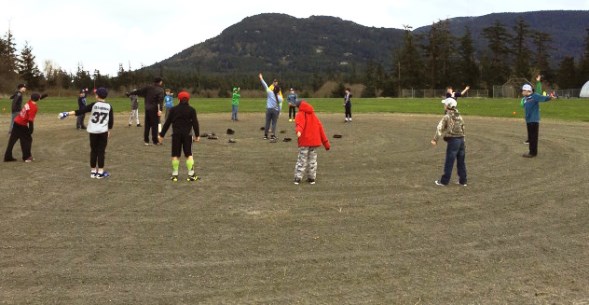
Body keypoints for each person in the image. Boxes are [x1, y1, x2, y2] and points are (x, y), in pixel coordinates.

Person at [59, 87, 114, 179]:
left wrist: (67, 113)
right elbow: (111, 121)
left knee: (93, 151)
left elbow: (80, 111)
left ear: (97, 96)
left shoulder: (94, 105)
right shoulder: (109, 106)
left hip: (93, 131)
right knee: (101, 151)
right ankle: (100, 172)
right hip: (103, 132)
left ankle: (93, 172)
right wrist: (109, 130)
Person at [158, 91, 200, 182]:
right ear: (188, 99)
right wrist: (197, 135)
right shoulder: (192, 110)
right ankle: (191, 175)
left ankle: (175, 175)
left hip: (176, 135)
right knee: (188, 154)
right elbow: (195, 124)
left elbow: (167, 123)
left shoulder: (173, 110)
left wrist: (161, 135)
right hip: (187, 135)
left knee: (175, 155)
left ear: (178, 99)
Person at [292, 99, 331, 185]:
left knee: (302, 159)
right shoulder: (314, 116)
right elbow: (321, 129)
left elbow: (300, 124)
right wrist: (326, 143)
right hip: (314, 142)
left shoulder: (300, 114)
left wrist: (298, 131)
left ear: (299, 107)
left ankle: (298, 178)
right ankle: (311, 178)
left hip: (305, 141)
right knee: (312, 160)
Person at [431, 98, 467, 186]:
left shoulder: (447, 117)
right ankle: (463, 181)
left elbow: (440, 128)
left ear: (448, 106)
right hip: (461, 140)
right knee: (461, 162)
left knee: (449, 161)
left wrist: (435, 139)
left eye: (445, 104)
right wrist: (463, 142)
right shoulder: (459, 116)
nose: (444, 106)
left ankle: (444, 181)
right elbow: (463, 129)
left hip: (453, 141)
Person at [520, 75, 555, 158]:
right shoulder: (525, 98)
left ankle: (532, 153)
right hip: (529, 120)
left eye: (523, 90)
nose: (522, 92)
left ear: (527, 91)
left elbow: (542, 97)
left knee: (533, 137)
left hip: (533, 120)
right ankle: (531, 151)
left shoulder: (534, 96)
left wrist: (550, 97)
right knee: (531, 137)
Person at [4, 92, 41, 162]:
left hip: (16, 122)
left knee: (12, 140)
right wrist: (31, 128)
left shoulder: (29, 102)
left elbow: (34, 99)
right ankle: (27, 157)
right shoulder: (34, 108)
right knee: (27, 140)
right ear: (38, 99)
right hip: (22, 125)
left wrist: (39, 97)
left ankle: (7, 157)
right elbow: (30, 120)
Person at [127, 77, 164, 145]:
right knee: (154, 125)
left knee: (147, 125)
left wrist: (130, 93)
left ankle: (146, 140)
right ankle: (155, 140)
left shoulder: (148, 88)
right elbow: (160, 100)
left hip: (147, 108)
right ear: (160, 82)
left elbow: (138, 91)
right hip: (155, 109)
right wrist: (160, 110)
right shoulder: (160, 90)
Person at [259, 73, 283, 140]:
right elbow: (280, 106)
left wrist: (261, 78)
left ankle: (265, 136)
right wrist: (279, 112)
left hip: (268, 110)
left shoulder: (270, 93)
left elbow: (265, 85)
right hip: (275, 111)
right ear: (278, 91)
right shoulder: (280, 98)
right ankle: (272, 136)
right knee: (274, 123)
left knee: (267, 122)